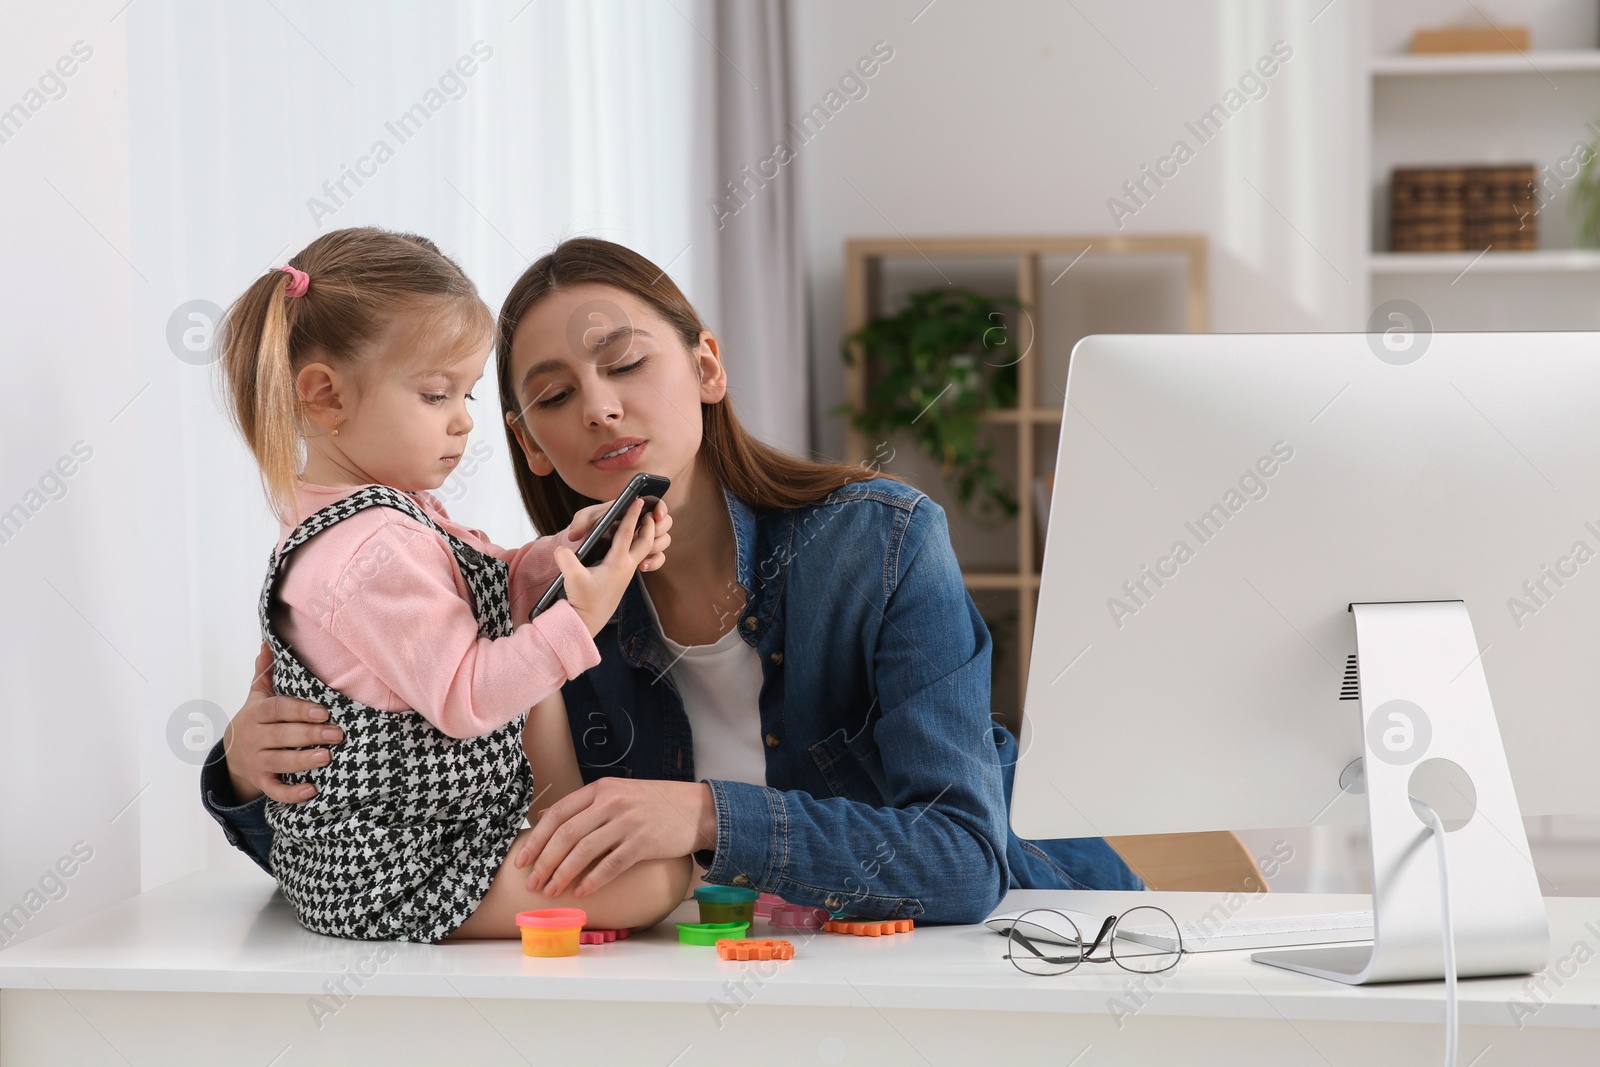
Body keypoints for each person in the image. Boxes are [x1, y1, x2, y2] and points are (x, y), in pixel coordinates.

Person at [204, 236, 1140, 927]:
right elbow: (405, 857)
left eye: (624, 363)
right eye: (556, 395)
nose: (602, 405)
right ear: (531, 443)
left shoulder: (881, 545)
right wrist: (251, 773)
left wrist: (699, 815)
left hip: (1053, 955)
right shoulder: (526, 617)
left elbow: (963, 864)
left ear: (706, 365)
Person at [214, 227, 689, 943]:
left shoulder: (388, 521)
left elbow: (490, 588)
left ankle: (551, 845)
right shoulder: (365, 552)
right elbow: (468, 695)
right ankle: (547, 859)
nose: (465, 420)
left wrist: (563, 552)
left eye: (465, 391)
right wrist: (579, 619)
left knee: (648, 861)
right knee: (662, 877)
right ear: (326, 397)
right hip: (394, 866)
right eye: (437, 393)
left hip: (435, 829)